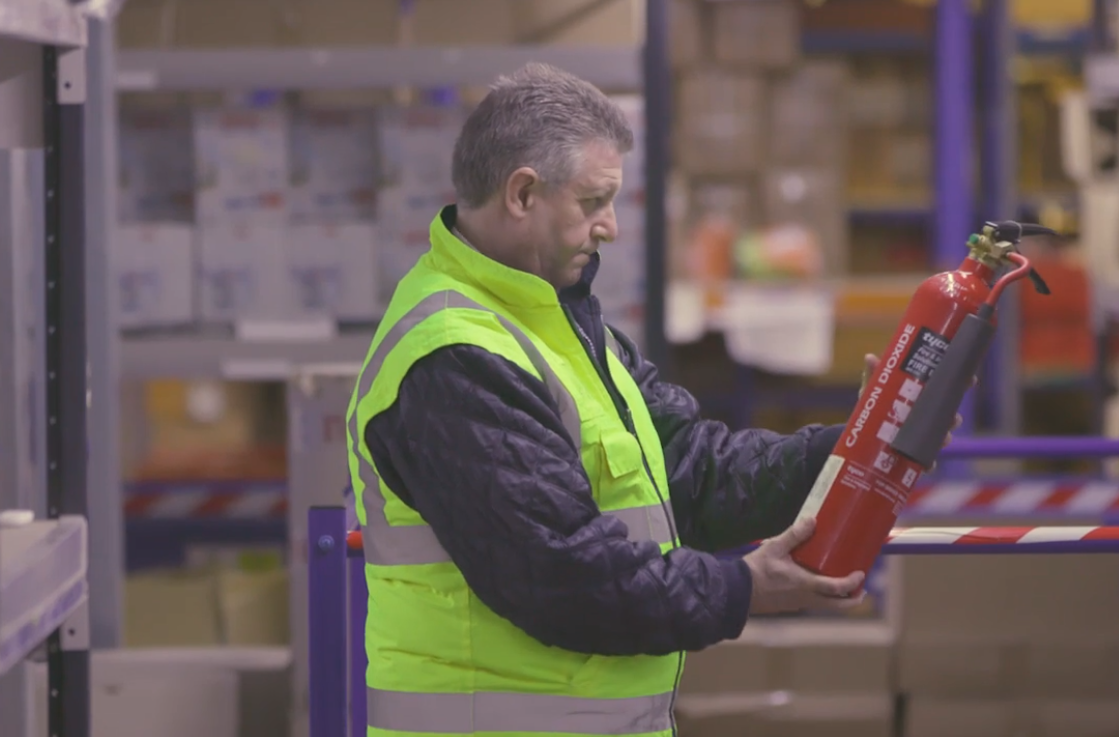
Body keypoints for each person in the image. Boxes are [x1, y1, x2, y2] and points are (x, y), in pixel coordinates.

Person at [346, 62, 951, 736]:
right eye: (593, 202)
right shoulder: (453, 356)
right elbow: (561, 573)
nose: (610, 227)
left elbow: (695, 472)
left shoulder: (561, 323)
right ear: (522, 194)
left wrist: (859, 439)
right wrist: (743, 587)